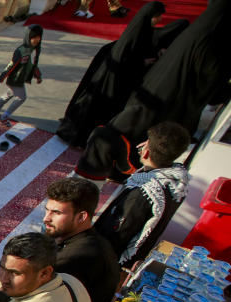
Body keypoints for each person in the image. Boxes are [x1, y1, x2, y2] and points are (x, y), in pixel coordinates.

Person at [75, 0, 231, 182]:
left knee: (131, 129)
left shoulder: (195, 33)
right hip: (171, 102)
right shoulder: (214, 43)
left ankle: (112, 169)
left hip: (152, 92)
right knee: (144, 138)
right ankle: (116, 171)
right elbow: (211, 80)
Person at [0, 178, 120, 302]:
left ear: (81, 217)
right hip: (50, 301)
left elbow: (34, 295)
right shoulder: (84, 239)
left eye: (57, 213)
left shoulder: (77, 256)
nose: (46, 218)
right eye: (47, 210)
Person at [57, 2, 166, 147]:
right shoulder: (137, 32)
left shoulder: (144, 30)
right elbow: (125, 58)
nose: (159, 20)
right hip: (114, 80)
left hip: (120, 79)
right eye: (157, 17)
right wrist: (142, 63)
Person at [94, 121, 189, 270]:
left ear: (146, 152)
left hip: (108, 263)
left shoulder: (143, 192)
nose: (141, 145)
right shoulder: (176, 183)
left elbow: (116, 235)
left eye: (146, 142)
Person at [0, 25, 42, 123]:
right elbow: (10, 66)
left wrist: (38, 75)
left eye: (39, 38)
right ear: (28, 37)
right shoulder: (21, 51)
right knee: (22, 98)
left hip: (19, 79)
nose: (36, 40)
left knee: (7, 95)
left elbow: (31, 65)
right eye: (34, 38)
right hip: (15, 79)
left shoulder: (30, 50)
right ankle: (5, 115)